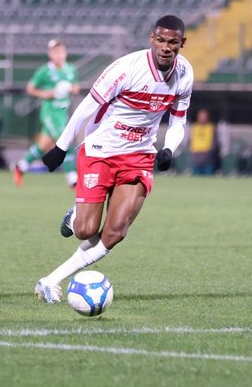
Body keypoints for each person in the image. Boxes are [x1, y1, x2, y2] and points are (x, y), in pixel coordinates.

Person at [33, 15, 193, 303]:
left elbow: (179, 120)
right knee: (86, 230)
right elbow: (86, 107)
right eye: (161, 40)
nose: (166, 47)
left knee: (115, 232)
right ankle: (77, 215)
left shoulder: (185, 74)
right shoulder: (126, 68)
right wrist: (60, 147)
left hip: (139, 157)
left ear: (182, 43)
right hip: (101, 152)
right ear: (151, 39)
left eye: (173, 42)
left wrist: (169, 148)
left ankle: (49, 281)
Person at [12, 38, 80, 188]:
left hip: (62, 113)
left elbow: (75, 86)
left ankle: (21, 166)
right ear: (50, 54)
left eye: (61, 51)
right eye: (55, 52)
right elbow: (30, 88)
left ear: (65, 53)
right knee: (65, 140)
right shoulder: (44, 71)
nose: (59, 55)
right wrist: (46, 94)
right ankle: (72, 178)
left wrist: (74, 89)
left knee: (43, 145)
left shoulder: (71, 70)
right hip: (49, 112)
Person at [189, 108, 216, 175]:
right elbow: (190, 139)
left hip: (207, 154)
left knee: (208, 174)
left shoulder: (211, 127)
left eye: (204, 116)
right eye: (201, 116)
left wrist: (211, 150)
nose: (202, 118)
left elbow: (214, 141)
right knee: (197, 175)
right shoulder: (194, 127)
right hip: (196, 154)